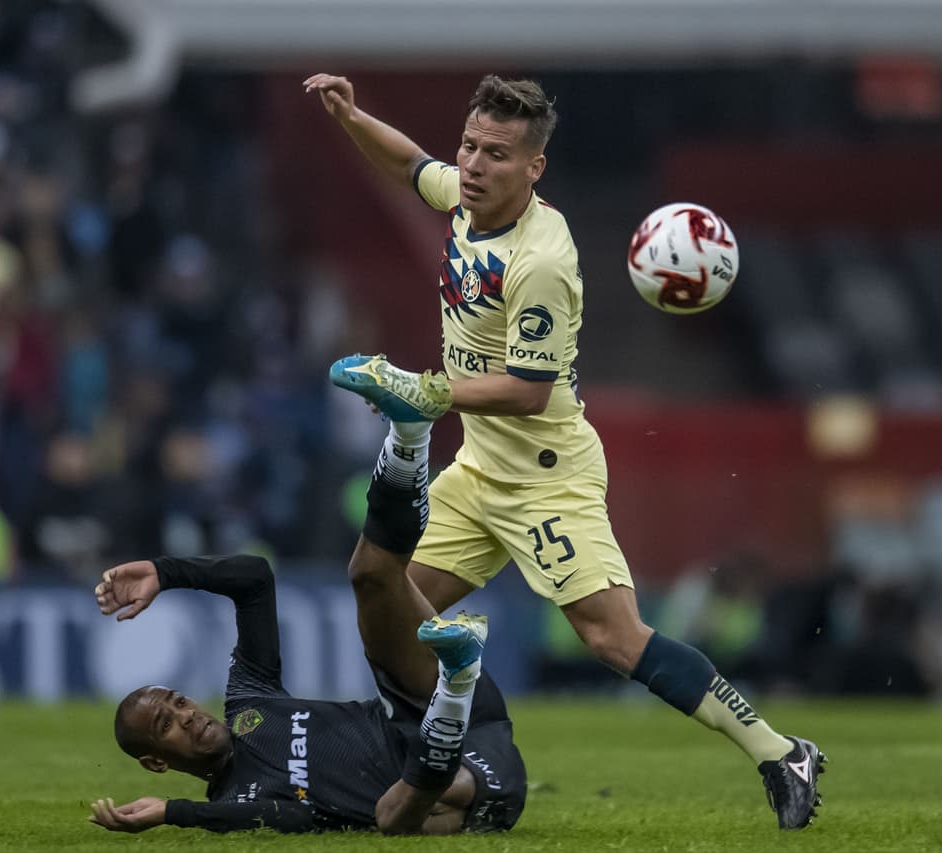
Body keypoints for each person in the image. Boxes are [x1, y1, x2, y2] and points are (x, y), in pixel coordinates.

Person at [305, 71, 825, 829]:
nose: (475, 165)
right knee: (382, 605)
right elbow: (412, 164)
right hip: (480, 468)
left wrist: (427, 389)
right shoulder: (466, 197)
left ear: (534, 167)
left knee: (613, 637)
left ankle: (780, 750)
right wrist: (352, 117)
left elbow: (527, 389)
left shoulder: (541, 258)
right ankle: (428, 752)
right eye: (472, 147)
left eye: (497, 155)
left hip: (545, 477)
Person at [86, 424, 526, 835]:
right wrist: (174, 811)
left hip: (453, 713)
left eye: (179, 702)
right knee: (392, 815)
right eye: (167, 724)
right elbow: (289, 816)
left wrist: (165, 573)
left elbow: (255, 578)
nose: (187, 716)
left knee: (370, 577)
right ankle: (453, 695)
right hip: (474, 784)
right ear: (156, 763)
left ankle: (407, 439)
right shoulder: (239, 798)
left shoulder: (247, 699)